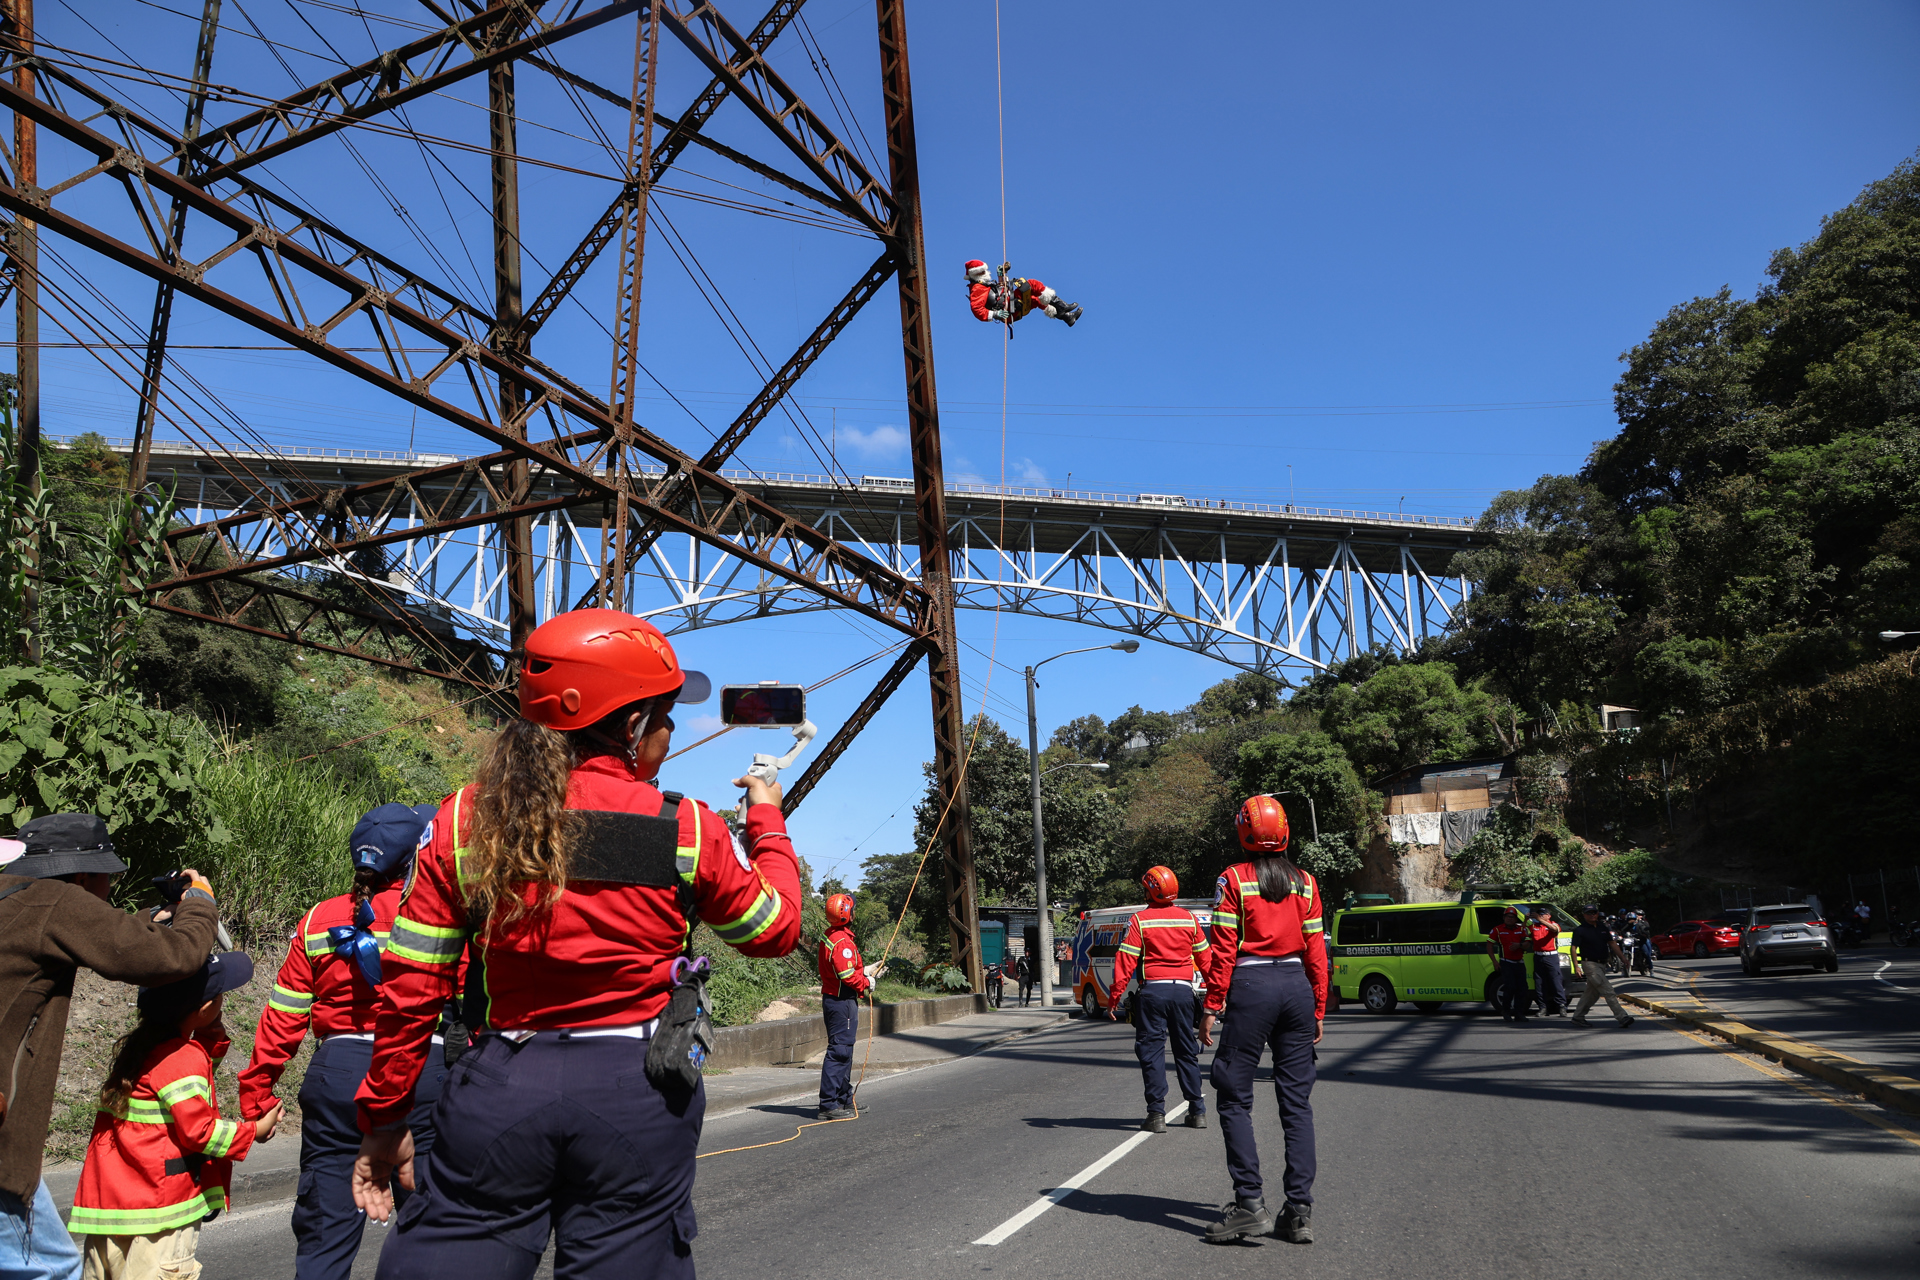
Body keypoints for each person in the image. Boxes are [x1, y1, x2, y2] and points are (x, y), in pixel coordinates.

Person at [351, 608, 804, 1279]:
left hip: (499, 1084)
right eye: (665, 714)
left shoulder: (464, 820)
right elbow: (776, 929)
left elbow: (412, 983)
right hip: (637, 1092)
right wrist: (765, 817)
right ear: (632, 726)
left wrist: (385, 1117)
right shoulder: (687, 828)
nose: (671, 729)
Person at [0, 813, 222, 1280]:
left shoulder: (18, 898)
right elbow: (171, 956)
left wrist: (155, 919)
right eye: (108, 877)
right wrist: (200, 904)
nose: (109, 889)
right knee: (51, 1268)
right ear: (83, 877)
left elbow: (99, 934)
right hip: (2, 1144)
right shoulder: (55, 902)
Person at [239, 802, 450, 1280]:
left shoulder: (318, 919)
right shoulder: (436, 913)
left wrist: (257, 1093)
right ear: (416, 855)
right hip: (420, 1072)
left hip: (336, 1077)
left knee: (324, 1241)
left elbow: (284, 1014)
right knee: (433, 1236)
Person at [70, 952, 282, 1277]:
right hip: (159, 1217)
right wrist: (254, 1130)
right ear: (203, 1008)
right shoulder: (183, 1058)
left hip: (111, 1212)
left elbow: (176, 1093)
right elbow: (200, 1131)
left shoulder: (140, 1050)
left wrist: (208, 1039)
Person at [1198, 796, 1327, 1246]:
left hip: (1252, 987)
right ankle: (1299, 1211)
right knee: (1297, 1103)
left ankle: (1250, 1204)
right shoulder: (1306, 882)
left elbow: (1223, 949)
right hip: (1296, 987)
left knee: (1234, 1096)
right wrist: (1318, 1006)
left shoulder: (1233, 879)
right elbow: (1316, 950)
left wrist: (1212, 1006)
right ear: (1286, 831)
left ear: (1244, 832)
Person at [1108, 866, 1210, 1134]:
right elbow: (1206, 960)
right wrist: (1216, 994)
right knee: (1186, 1051)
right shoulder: (1189, 919)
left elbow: (1126, 960)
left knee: (1152, 1052)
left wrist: (1115, 996)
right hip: (1183, 992)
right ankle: (1197, 1111)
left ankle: (1156, 1115)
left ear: (1150, 892)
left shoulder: (1140, 920)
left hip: (1153, 993)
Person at [816, 892, 870, 1121]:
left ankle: (844, 1098)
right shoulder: (843, 942)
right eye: (853, 908)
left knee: (844, 1051)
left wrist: (863, 973)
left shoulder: (832, 935)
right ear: (847, 915)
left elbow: (845, 969)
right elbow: (847, 975)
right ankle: (829, 1104)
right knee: (839, 1052)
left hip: (836, 1000)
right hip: (841, 1002)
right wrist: (866, 983)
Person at [1570, 905, 1635, 1028]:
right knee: (1608, 990)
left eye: (1594, 912)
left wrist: (1623, 958)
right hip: (1589, 964)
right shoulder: (1580, 930)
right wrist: (1576, 966)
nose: (1592, 915)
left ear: (1597, 913)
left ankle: (1578, 1017)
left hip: (1602, 964)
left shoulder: (1602, 927)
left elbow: (1612, 943)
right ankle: (1622, 1017)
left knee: (1591, 993)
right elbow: (1573, 948)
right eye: (1589, 913)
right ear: (1584, 915)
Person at [965, 260, 1082, 327]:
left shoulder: (984, 285)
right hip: (1008, 309)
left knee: (1035, 300)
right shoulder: (977, 288)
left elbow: (1000, 291)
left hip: (1012, 307)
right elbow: (977, 310)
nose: (986, 273)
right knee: (1031, 284)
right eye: (982, 271)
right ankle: (1062, 306)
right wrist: (996, 314)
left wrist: (1001, 275)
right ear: (976, 274)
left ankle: (1067, 317)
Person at [1486, 906, 1536, 1023]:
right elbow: (1489, 945)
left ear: (1516, 919)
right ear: (1504, 917)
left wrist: (1519, 945)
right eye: (1508, 916)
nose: (1510, 919)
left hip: (1519, 963)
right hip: (1506, 962)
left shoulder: (1521, 929)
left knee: (1522, 988)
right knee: (1510, 987)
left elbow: (1527, 944)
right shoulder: (1497, 930)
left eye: (1512, 917)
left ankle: (1519, 1014)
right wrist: (1494, 961)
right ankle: (1506, 1011)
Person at [1528, 904, 1566, 1017]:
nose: (1540, 916)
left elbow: (1555, 930)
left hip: (1551, 956)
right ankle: (1542, 1007)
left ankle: (1561, 1006)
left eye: (1543, 914)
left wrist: (1541, 920)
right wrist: (1526, 919)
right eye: (1539, 914)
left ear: (1548, 916)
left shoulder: (1553, 924)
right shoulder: (1534, 926)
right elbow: (1524, 933)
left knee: (1556, 982)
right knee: (1539, 983)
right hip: (1538, 956)